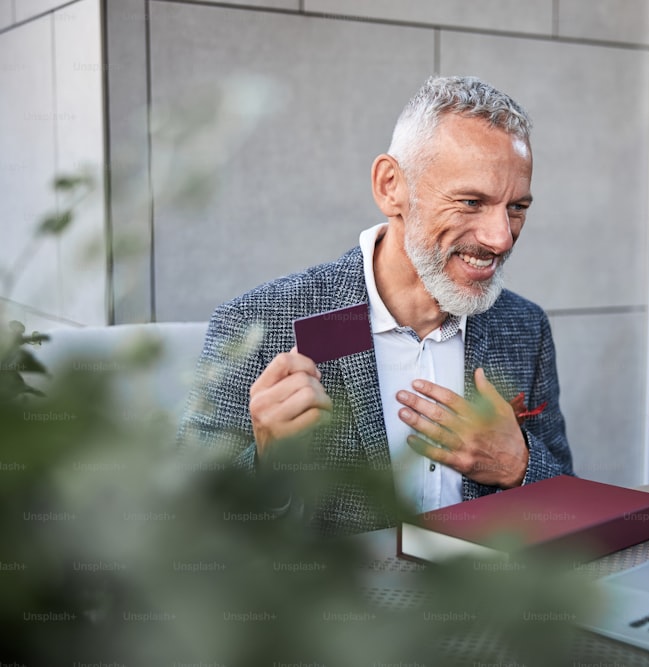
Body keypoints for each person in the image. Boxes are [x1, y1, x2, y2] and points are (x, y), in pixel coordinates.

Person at [177, 75, 573, 536]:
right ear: (391, 187)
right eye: (470, 201)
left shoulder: (526, 328)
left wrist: (520, 464)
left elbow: (569, 510)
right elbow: (186, 532)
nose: (501, 237)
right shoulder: (257, 324)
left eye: (517, 207)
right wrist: (265, 462)